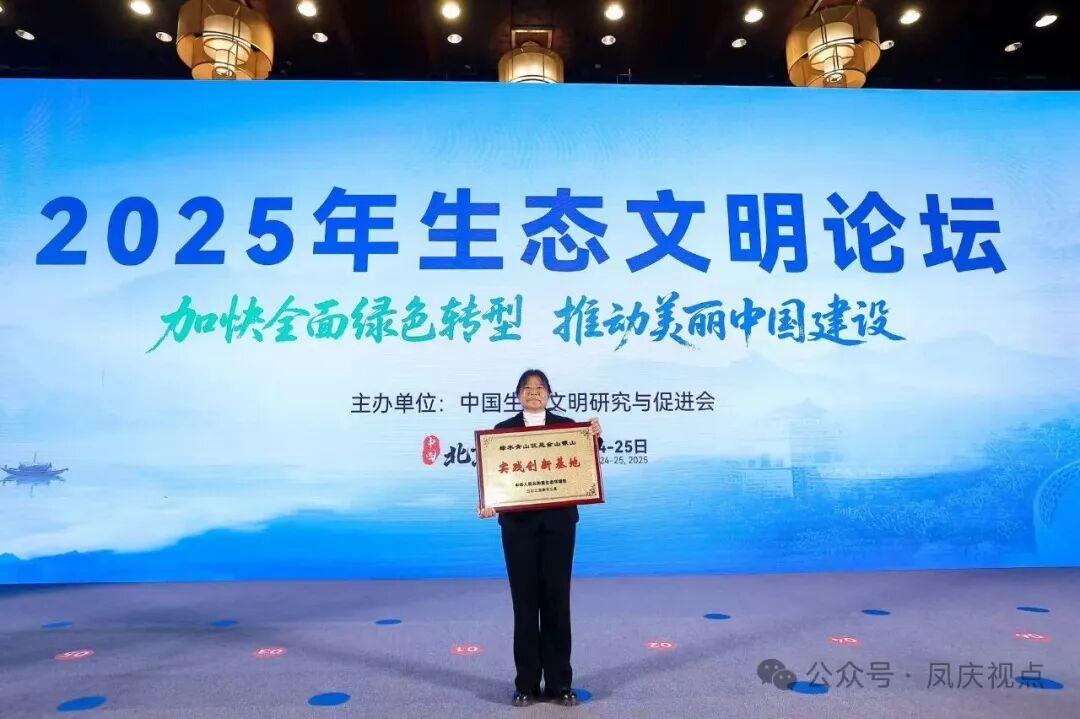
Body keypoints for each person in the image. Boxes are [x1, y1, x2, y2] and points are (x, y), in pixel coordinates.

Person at [478, 369, 602, 708]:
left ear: (549, 393)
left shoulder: (568, 426)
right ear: (518, 394)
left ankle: (560, 683)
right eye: (527, 387)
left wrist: (594, 436)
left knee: (557, 603)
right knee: (524, 605)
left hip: (559, 525)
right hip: (518, 528)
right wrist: (488, 501)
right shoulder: (502, 431)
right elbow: (494, 477)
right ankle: (526, 684)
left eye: (540, 387)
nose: (534, 392)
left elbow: (585, 460)